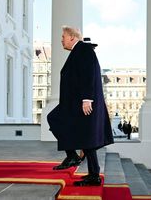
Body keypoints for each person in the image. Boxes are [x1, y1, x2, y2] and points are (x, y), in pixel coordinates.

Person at [47, 26, 113, 187]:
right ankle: (91, 172)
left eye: (63, 36)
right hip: (75, 103)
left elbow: (88, 73)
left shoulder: (83, 49)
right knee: (86, 137)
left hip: (82, 103)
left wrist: (87, 99)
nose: (61, 40)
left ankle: (77, 160)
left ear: (71, 37)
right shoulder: (79, 51)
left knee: (55, 119)